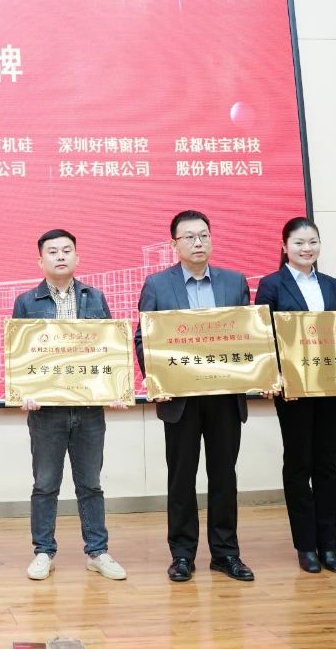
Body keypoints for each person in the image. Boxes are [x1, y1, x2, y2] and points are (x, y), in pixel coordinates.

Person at [135, 210, 255, 583]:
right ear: (175, 244)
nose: (198, 242)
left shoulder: (234, 282)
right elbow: (143, 338)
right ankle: (183, 554)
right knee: (182, 478)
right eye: (189, 237)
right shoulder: (157, 284)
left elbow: (250, 334)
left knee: (224, 477)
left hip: (224, 396)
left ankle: (226, 553)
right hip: (180, 399)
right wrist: (158, 379)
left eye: (204, 235)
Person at [13, 229, 127, 582]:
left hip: (89, 410)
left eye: (66, 250)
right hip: (46, 411)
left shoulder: (95, 298)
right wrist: (23, 391)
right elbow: (20, 354)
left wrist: (116, 387)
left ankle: (97, 552)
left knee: (90, 484)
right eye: (52, 251)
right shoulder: (26, 302)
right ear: (40, 260)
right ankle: (43, 552)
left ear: (77, 257)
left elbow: (109, 348)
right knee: (45, 484)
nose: (60, 256)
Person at [254, 217, 336, 574]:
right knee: (298, 464)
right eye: (299, 243)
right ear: (284, 247)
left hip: (331, 386)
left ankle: (330, 546)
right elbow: (263, 337)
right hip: (292, 390)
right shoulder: (271, 284)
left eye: (313, 242)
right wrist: (275, 377)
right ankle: (306, 545)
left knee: (328, 464)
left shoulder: (332, 285)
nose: (307, 249)